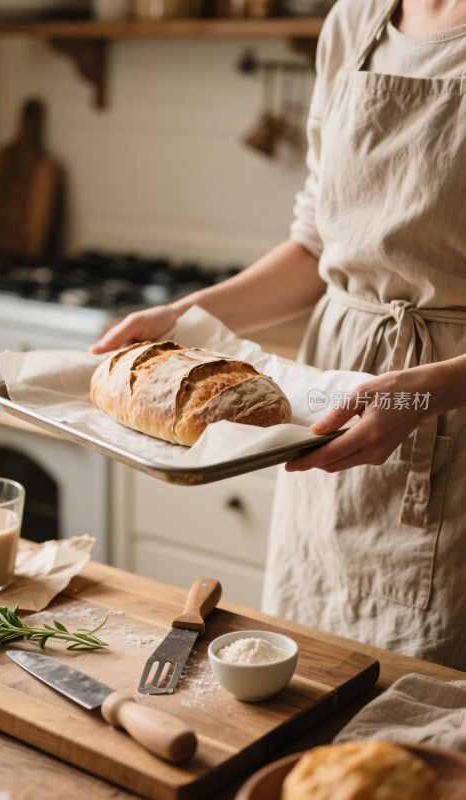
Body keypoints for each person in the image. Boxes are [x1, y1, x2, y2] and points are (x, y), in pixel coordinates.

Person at [92, 0, 466, 670]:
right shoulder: (354, 20)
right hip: (334, 399)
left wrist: (428, 391)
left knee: (425, 694)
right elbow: (317, 246)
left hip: (447, 410)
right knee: (315, 667)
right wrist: (184, 316)